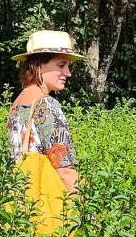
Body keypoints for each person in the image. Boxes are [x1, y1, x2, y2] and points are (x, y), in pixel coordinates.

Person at [7, 30, 84, 198]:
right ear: (39, 66)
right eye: (61, 65)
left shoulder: (17, 102)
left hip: (18, 198)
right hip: (46, 201)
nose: (68, 73)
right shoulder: (46, 104)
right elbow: (64, 170)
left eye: (68, 66)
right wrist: (87, 210)